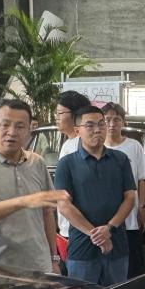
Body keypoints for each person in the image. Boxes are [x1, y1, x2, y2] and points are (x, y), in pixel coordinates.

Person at [0, 99, 67, 273]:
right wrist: (24, 201)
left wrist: (53, 258)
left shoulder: (37, 162)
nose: (12, 132)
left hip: (38, 268)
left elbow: (47, 213)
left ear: (29, 130)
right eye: (5, 125)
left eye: (20, 126)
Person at [55, 105, 136, 286]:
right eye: (90, 125)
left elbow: (130, 198)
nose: (97, 130)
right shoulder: (67, 163)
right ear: (77, 130)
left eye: (101, 124)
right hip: (82, 247)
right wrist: (96, 235)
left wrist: (109, 228)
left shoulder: (120, 159)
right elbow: (64, 206)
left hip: (116, 244)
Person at [102, 101, 145, 277]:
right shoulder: (97, 147)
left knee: (132, 264)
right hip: (104, 218)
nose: (111, 124)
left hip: (130, 217)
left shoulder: (134, 146)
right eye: (107, 120)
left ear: (123, 122)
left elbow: (142, 179)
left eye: (116, 119)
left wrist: (142, 208)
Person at [54, 90, 91, 250]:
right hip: (68, 225)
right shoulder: (68, 143)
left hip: (80, 228)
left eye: (60, 113)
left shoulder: (83, 144)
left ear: (75, 115)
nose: (56, 117)